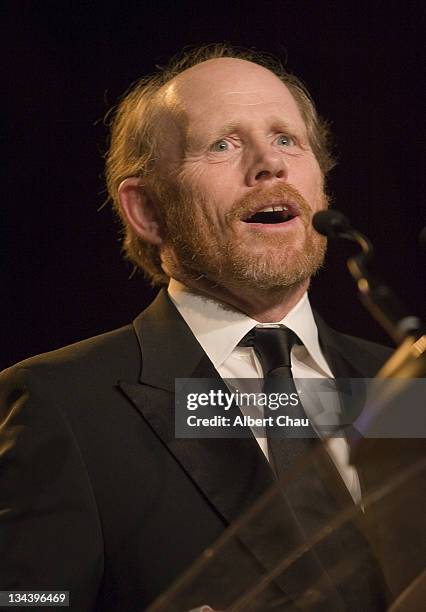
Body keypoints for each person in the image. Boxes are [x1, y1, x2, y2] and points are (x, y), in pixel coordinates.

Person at [0, 45, 392, 611]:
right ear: (148, 211)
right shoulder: (61, 403)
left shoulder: (399, 383)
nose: (270, 165)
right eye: (222, 145)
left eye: (286, 138)